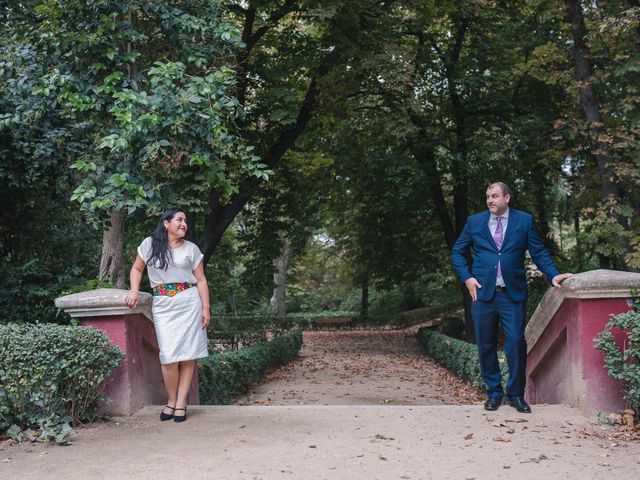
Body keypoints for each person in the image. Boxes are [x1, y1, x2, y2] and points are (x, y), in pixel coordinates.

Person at [451, 182, 572, 413]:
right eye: (487, 196)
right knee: (485, 345)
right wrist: (466, 277)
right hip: (482, 294)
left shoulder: (523, 221)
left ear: (507, 198)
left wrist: (553, 274)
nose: (490, 200)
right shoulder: (474, 222)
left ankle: (516, 394)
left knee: (516, 341)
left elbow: (538, 251)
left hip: (511, 294)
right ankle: (494, 393)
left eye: (494, 196)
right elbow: (457, 251)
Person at [125, 208, 210, 422]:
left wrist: (206, 308)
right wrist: (134, 290)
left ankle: (180, 403)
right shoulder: (149, 245)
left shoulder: (191, 249)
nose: (184, 224)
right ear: (166, 223)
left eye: (185, 221)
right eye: (179, 220)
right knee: (168, 357)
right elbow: (136, 269)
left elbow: (201, 280)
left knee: (188, 355)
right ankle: (171, 400)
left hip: (189, 303)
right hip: (163, 304)